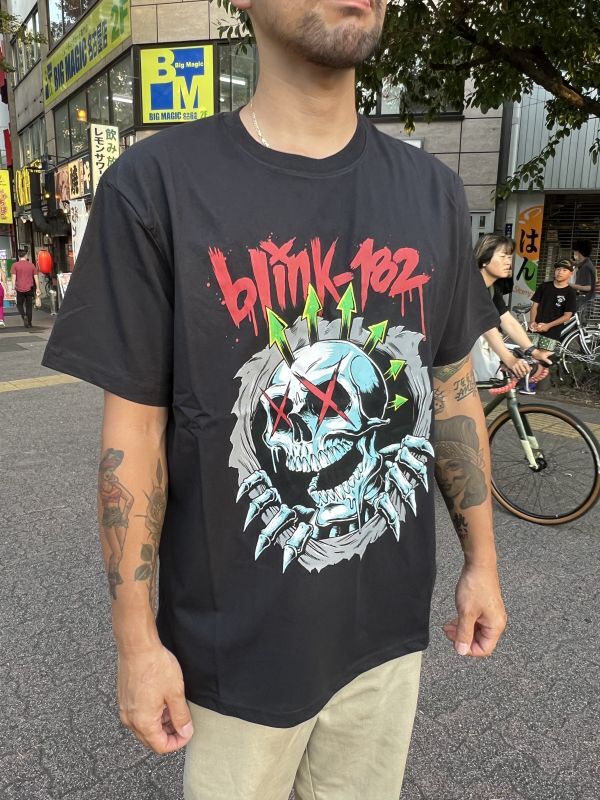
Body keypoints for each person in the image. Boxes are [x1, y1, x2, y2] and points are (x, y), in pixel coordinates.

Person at [42, 2, 507, 798]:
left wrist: (483, 563)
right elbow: (134, 439)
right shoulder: (156, 187)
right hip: (235, 655)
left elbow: (453, 390)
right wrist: (136, 642)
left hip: (385, 640)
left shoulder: (431, 191)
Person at [472, 234, 549, 393]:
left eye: (509, 257)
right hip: (446, 356)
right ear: (485, 259)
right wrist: (509, 359)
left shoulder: (492, 288)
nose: (508, 262)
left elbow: (508, 321)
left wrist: (533, 351)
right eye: (503, 256)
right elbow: (486, 325)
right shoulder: (471, 285)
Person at [530, 259, 577, 342]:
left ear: (571, 274)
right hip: (535, 327)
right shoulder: (544, 286)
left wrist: (548, 326)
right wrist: (532, 321)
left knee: (543, 351)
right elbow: (534, 306)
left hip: (553, 331)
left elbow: (567, 316)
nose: (560, 272)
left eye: (564, 270)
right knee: (528, 349)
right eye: (558, 269)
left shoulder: (570, 292)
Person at [12, 248, 40, 328]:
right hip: (30, 288)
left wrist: (13, 288)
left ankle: (24, 315)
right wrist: (38, 288)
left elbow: (13, 278)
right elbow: (36, 277)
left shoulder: (15, 265)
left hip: (19, 289)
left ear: (19, 256)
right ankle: (29, 323)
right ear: (26, 255)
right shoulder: (31, 265)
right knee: (29, 306)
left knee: (19, 305)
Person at [571, 239, 596, 322]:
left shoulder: (586, 267)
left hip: (584, 304)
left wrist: (569, 284)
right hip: (585, 303)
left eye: (575, 252)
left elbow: (588, 287)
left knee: (578, 326)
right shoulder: (586, 263)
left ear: (579, 252)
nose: (574, 254)